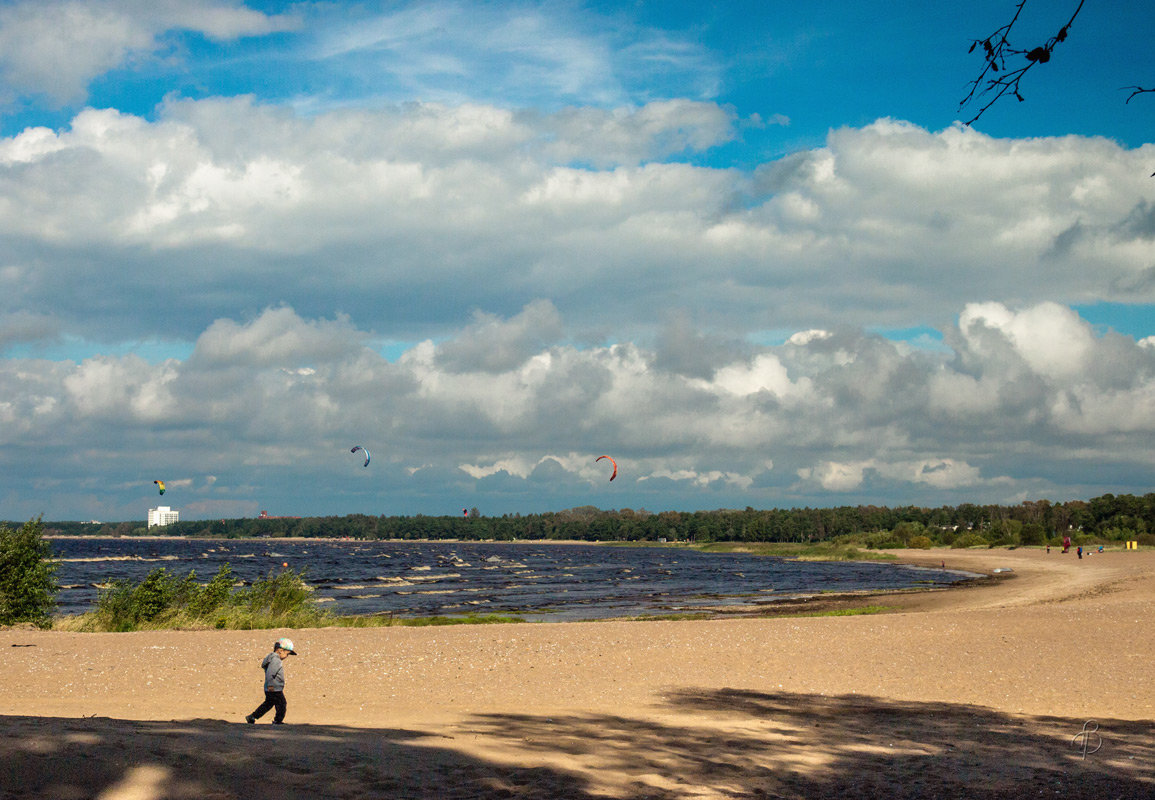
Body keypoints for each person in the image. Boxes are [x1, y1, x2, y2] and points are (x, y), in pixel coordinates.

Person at [246, 637, 297, 724]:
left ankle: (252, 716)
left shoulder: (271, 658)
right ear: (280, 650)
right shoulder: (276, 660)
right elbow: (271, 673)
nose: (287, 657)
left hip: (270, 687)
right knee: (281, 704)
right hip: (274, 688)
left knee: (268, 704)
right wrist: (271, 685)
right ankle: (278, 720)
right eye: (287, 654)